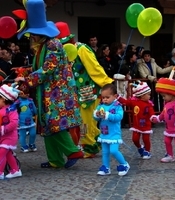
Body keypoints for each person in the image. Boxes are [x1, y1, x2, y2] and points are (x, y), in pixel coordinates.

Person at [15, 0, 83, 168]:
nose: (31, 38)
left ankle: (73, 150)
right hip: (46, 92)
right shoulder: (43, 46)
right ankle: (55, 160)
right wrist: (25, 72)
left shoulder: (53, 44)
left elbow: (48, 69)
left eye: (32, 34)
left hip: (56, 93)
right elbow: (39, 67)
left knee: (54, 125)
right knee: (46, 126)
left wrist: (27, 79)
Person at [55, 21, 114, 158]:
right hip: (76, 93)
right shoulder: (63, 53)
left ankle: (90, 147)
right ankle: (98, 142)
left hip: (88, 92)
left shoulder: (82, 49)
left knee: (87, 122)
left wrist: (107, 84)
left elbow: (94, 67)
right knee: (83, 121)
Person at [93, 83, 130, 176]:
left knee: (113, 150)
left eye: (107, 97)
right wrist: (96, 115)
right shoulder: (100, 105)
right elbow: (97, 119)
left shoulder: (117, 106)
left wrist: (108, 115)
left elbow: (119, 117)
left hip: (114, 133)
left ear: (115, 96)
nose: (104, 99)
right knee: (105, 151)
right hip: (104, 133)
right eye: (103, 97)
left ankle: (124, 164)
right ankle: (106, 167)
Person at [118, 81, 155, 159]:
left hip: (146, 125)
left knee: (146, 139)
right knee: (135, 139)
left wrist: (153, 118)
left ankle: (147, 151)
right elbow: (126, 102)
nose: (149, 96)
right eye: (148, 94)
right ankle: (140, 147)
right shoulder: (134, 101)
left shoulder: (149, 104)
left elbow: (152, 113)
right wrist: (118, 98)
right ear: (142, 95)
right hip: (136, 125)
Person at [0, 84, 22, 179]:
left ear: (4, 99)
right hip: (3, 136)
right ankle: (15, 170)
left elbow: (14, 123)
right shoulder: (2, 110)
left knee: (1, 153)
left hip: (9, 137)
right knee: (8, 154)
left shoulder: (11, 110)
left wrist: (3, 129)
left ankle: (0, 172)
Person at [13, 82, 37, 153]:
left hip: (30, 121)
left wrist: (35, 112)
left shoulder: (30, 100)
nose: (27, 95)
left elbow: (34, 108)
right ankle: (23, 146)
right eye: (25, 93)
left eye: (28, 93)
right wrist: (16, 121)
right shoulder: (17, 102)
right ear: (20, 93)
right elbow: (14, 112)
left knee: (33, 133)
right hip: (21, 122)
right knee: (22, 135)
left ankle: (31, 144)